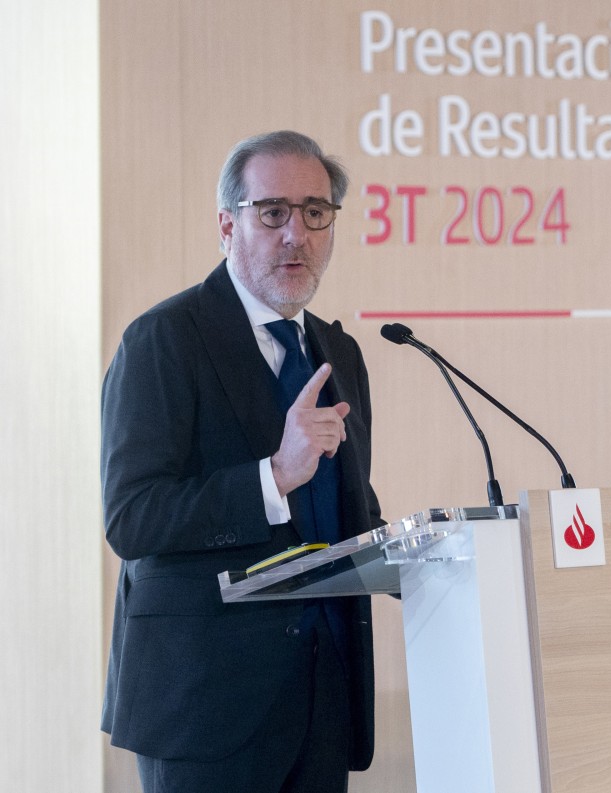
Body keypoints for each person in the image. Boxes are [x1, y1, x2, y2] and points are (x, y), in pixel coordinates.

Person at [100, 130, 384, 792]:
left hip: (321, 698)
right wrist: (273, 477)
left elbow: (346, 511)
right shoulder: (163, 340)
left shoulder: (338, 352)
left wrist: (436, 560)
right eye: (273, 212)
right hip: (205, 705)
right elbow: (132, 518)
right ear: (228, 226)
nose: (297, 234)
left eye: (315, 212)